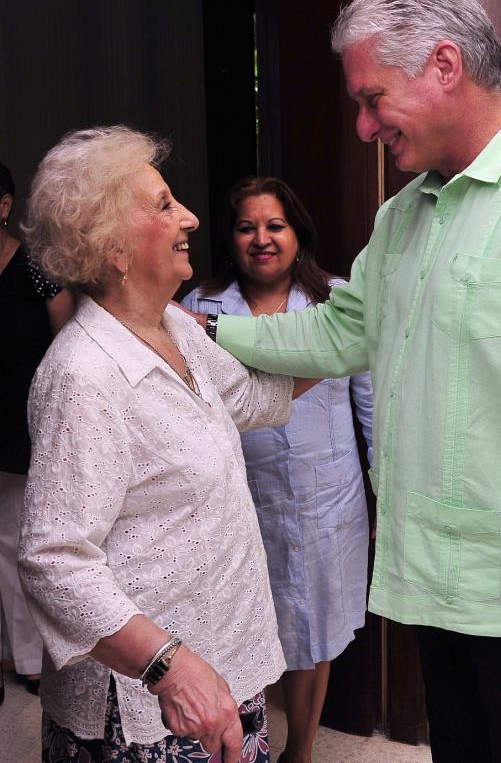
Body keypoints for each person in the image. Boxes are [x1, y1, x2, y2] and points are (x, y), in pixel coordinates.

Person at [195, 0, 501, 763]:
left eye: (372, 98)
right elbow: (343, 331)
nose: (361, 125)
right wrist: (206, 336)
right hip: (439, 596)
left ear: (445, 66)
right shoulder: (404, 214)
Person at [17, 126, 317, 763]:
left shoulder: (175, 325)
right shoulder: (83, 376)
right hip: (150, 707)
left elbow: (256, 398)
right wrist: (170, 668)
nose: (190, 217)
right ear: (114, 245)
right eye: (162, 204)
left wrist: (363, 331)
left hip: (227, 667)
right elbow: (54, 560)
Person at [182, 176, 373, 763]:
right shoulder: (197, 310)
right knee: (244, 627)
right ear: (230, 238)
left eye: (275, 226)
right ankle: (251, 743)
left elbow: (371, 404)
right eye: (247, 227)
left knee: (318, 627)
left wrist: (389, 492)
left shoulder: (337, 301)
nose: (261, 239)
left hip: (329, 501)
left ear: (298, 234)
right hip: (241, 503)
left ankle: (303, 750)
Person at [0, 162, 73, 706]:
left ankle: (28, 660)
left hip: (20, 427)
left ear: (5, 206)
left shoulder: (35, 267)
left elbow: (67, 343)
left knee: (16, 543)